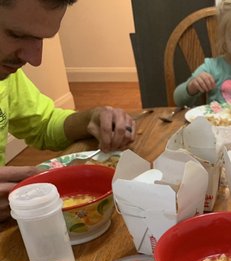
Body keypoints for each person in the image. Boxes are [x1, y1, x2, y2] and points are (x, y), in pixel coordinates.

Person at [0, 0, 135, 222]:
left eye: (40, 39)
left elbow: (44, 125)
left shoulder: (6, 79)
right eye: (16, 34)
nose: (35, 59)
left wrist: (92, 118)